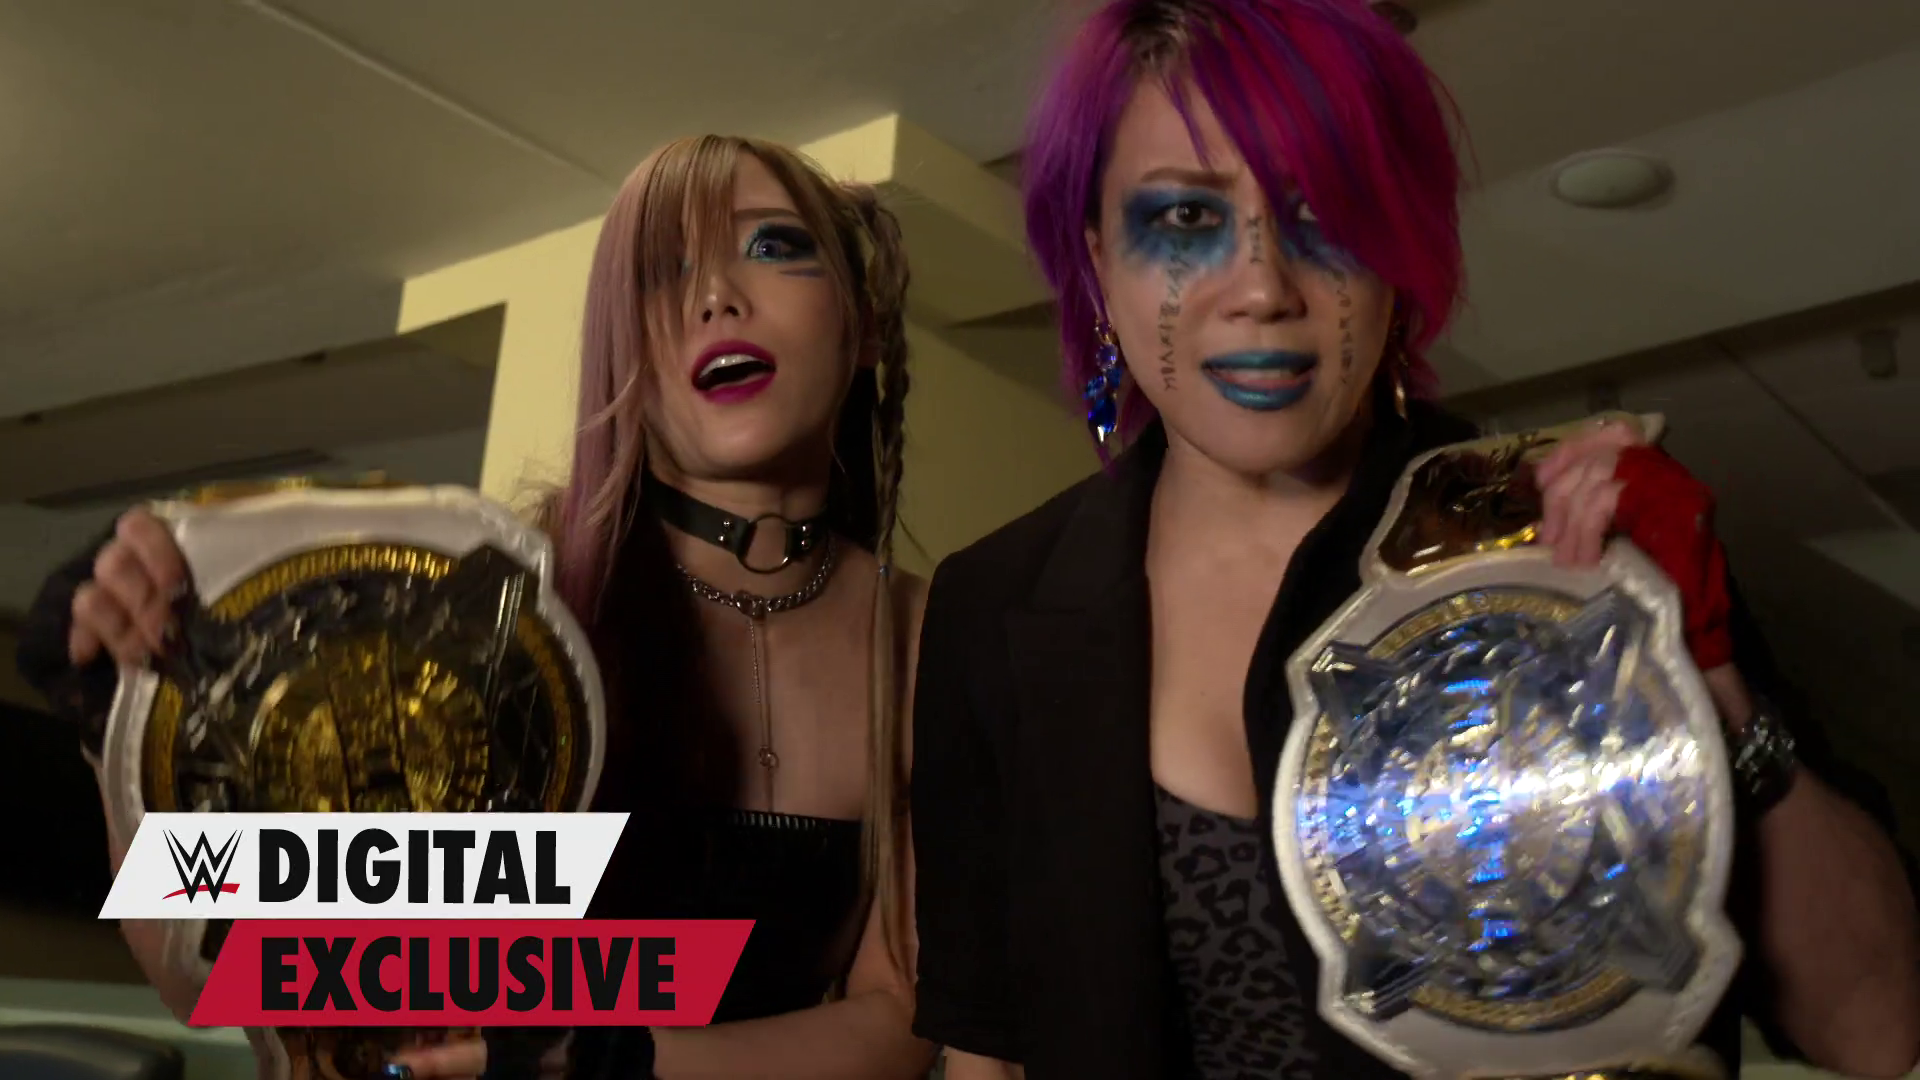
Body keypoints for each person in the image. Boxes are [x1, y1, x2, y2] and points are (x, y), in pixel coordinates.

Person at [906, 2, 1920, 1079]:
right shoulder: (994, 602)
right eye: (1188, 219)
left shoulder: (1565, 532)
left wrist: (1704, 673)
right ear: (1099, 260)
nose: (1263, 289)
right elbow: (986, 1049)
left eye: (1325, 214)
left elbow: (1876, 1028)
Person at [16, 134, 936, 1080]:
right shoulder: (497, 612)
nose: (715, 296)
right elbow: (241, 971)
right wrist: (134, 716)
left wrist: (601, 1055)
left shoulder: (930, 637)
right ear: (619, 346)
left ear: (864, 324)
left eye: (772, 245)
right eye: (661, 271)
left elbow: (899, 1016)